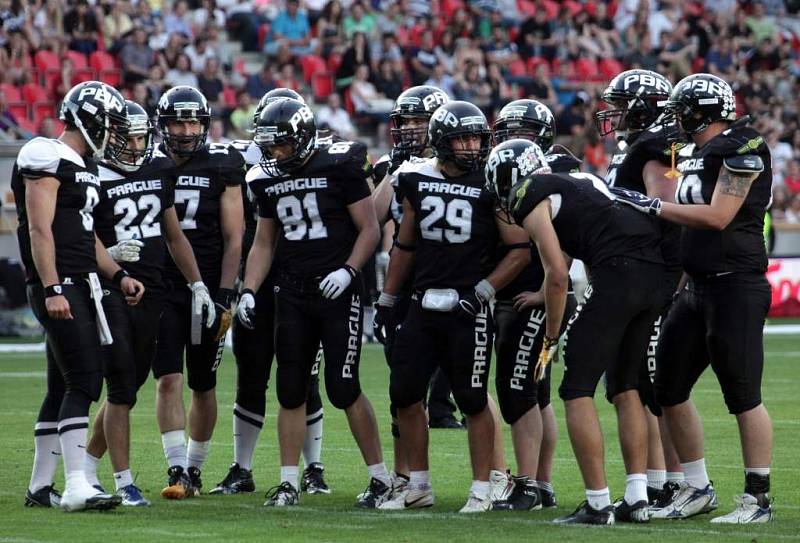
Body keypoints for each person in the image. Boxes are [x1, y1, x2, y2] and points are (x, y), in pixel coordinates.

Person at [615, 73, 775, 524]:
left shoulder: (742, 146)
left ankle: (757, 498)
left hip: (736, 284)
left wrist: (652, 206)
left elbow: (720, 216)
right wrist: (682, 283)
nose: (674, 120)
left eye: (680, 111)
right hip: (697, 286)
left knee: (742, 394)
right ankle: (697, 486)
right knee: (667, 387)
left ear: (698, 112)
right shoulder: (701, 152)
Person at [486, 138, 665, 525]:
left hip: (619, 272)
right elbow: (576, 236)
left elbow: (557, 273)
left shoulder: (526, 193)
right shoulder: (577, 180)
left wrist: (551, 336)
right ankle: (637, 498)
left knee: (576, 388)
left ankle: (598, 504)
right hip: (656, 272)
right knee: (625, 385)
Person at [376, 101, 531, 513]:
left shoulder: (491, 184)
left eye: (477, 137)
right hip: (422, 304)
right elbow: (404, 245)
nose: (472, 146)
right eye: (462, 137)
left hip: (468, 308)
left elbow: (519, 250)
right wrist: (388, 299)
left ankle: (482, 487)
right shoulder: (415, 178)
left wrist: (482, 291)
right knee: (405, 394)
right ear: (442, 142)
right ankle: (418, 485)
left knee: (472, 398)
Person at [239, 98, 387, 508]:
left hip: (337, 291)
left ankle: (379, 478)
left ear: (302, 138)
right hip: (292, 292)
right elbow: (264, 241)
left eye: (282, 145)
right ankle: (288, 483)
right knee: (290, 389)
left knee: (343, 387)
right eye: (269, 146)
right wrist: (249, 289)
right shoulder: (264, 177)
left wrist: (349, 271)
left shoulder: (341, 163)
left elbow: (369, 228)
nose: (275, 154)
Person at [15, 81, 144, 511]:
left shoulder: (81, 164)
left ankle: (39, 487)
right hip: (60, 284)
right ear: (90, 119)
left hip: (81, 279)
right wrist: (52, 287)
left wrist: (118, 273)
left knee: (60, 386)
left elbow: (84, 237)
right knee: (86, 380)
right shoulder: (44, 153)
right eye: (109, 124)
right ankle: (76, 486)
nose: (113, 133)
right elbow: (39, 229)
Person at [85, 101, 211, 506]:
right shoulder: (92, 174)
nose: (138, 146)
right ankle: (123, 482)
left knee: (130, 386)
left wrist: (197, 284)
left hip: (154, 289)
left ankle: (85, 469)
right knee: (121, 384)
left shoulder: (157, 170)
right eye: (130, 138)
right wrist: (111, 257)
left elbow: (173, 235)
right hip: (112, 288)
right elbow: (80, 235)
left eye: (142, 137)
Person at [212, 88, 331, 497]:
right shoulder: (238, 160)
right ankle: (242, 469)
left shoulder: (318, 158)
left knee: (303, 378)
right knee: (251, 374)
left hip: (300, 279)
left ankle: (313, 468)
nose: (274, 143)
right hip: (258, 281)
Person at [595, 69, 686, 516]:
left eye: (620, 105)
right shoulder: (638, 146)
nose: (612, 114)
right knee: (634, 384)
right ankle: (655, 484)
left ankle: (670, 483)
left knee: (650, 385)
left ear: (644, 106)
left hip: (653, 277)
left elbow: (664, 207)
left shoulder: (659, 146)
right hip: (639, 273)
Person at [152, 86, 244, 500]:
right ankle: (175, 468)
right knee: (168, 378)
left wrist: (225, 292)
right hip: (161, 285)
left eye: (193, 122)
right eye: (178, 121)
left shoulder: (223, 164)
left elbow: (234, 236)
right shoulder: (149, 162)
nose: (186, 130)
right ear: (164, 124)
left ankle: (194, 467)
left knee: (203, 382)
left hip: (209, 287)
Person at [489, 99, 580, 511]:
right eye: (507, 132)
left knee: (518, 390)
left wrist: (547, 293)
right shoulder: (505, 166)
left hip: (536, 296)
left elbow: (569, 243)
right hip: (525, 294)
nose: (512, 141)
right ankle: (541, 484)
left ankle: (527, 484)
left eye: (521, 132)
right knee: (537, 394)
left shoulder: (555, 173)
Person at [371, 85, 450, 499]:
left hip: (450, 279)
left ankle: (492, 478)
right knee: (402, 387)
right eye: (408, 121)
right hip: (405, 286)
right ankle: (406, 478)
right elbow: (371, 216)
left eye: (421, 120)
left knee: (468, 391)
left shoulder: (456, 162)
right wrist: (394, 169)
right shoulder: (392, 164)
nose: (413, 129)